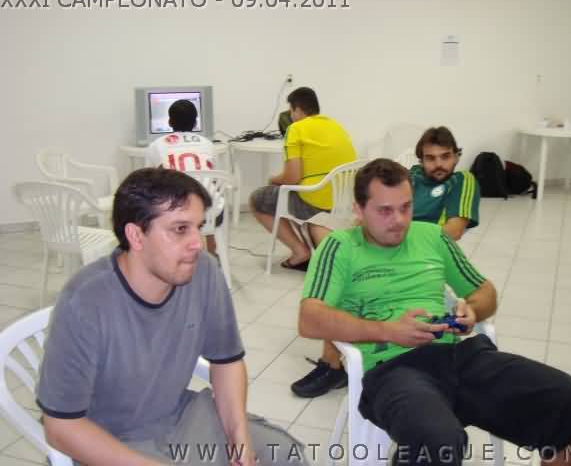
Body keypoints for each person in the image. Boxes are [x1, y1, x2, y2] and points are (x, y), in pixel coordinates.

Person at [297, 158, 571, 466]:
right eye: (385, 211)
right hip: (392, 370)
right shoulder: (339, 246)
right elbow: (309, 319)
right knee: (438, 442)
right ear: (359, 209)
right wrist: (389, 331)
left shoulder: (432, 236)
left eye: (406, 207)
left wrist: (471, 310)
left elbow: (485, 292)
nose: (399, 220)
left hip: (460, 358)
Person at [36, 168, 306, 466]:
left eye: (198, 227)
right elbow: (60, 427)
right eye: (180, 229)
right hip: (108, 440)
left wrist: (238, 437)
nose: (197, 243)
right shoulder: (84, 302)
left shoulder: (204, 271)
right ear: (136, 235)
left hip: (179, 417)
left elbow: (226, 361)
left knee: (285, 455)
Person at [290, 126, 480, 398]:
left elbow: (455, 230)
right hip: (379, 237)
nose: (438, 164)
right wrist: (375, 228)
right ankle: (333, 361)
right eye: (430, 158)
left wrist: (413, 240)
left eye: (445, 156)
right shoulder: (413, 176)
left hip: (419, 253)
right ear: (420, 159)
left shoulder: (461, 182)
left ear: (456, 157)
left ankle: (334, 362)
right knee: (333, 251)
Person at [250, 86, 356, 271]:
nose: (291, 115)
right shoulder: (336, 126)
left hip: (314, 201)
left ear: (298, 109)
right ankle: (308, 241)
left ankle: (300, 252)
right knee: (286, 194)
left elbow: (292, 177)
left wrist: (273, 180)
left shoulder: (296, 129)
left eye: (291, 111)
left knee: (258, 199)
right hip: (342, 200)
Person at [145, 99, 220, 255]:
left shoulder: (156, 146)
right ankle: (212, 252)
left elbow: (148, 182)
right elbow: (216, 179)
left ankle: (170, 252)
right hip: (210, 214)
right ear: (195, 123)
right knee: (209, 194)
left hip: (175, 213)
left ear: (169, 122)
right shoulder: (208, 144)